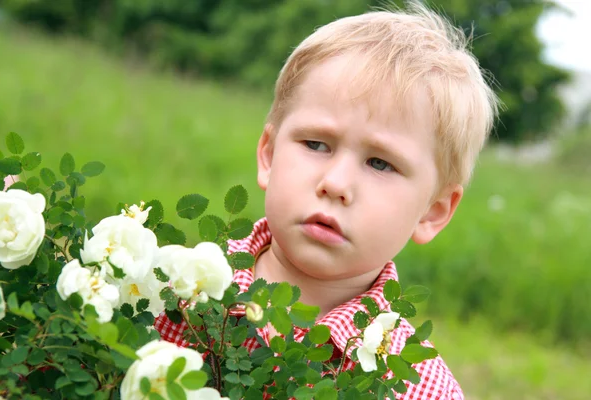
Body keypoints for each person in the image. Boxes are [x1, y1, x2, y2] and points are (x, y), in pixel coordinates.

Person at [155, 2, 499, 398]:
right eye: (316, 144)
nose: (336, 183)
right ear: (269, 155)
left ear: (432, 212)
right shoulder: (174, 289)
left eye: (381, 164)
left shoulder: (416, 388)